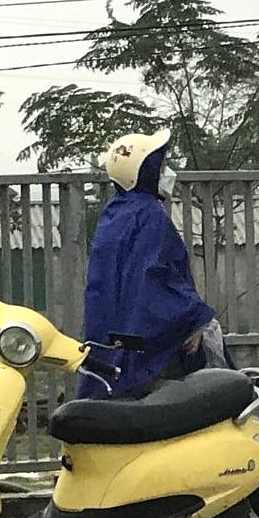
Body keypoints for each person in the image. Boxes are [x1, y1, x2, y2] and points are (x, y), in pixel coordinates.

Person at [80, 127, 231, 399]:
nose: (166, 173)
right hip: (147, 353)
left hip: (113, 347)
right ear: (144, 172)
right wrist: (195, 320)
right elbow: (155, 280)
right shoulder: (150, 217)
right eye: (161, 167)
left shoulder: (113, 216)